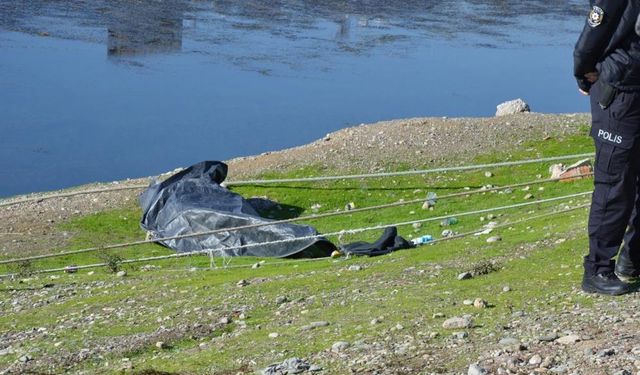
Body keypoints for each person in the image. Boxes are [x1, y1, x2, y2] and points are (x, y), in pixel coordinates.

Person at [574, 1, 640, 295]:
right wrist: (583, 70)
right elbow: (593, 31)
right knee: (615, 183)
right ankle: (598, 270)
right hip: (620, 91)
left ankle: (632, 258)